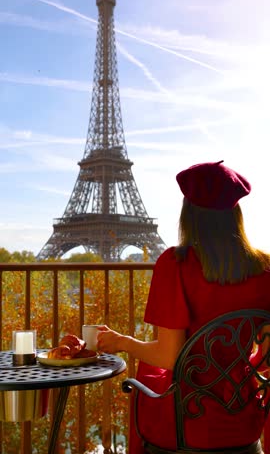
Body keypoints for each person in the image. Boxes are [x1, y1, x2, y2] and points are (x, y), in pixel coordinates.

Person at [97, 160, 270, 454]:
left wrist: (121, 341)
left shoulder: (175, 264)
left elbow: (168, 355)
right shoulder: (265, 268)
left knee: (149, 370)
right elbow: (266, 354)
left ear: (188, 215)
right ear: (235, 213)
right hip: (244, 418)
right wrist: (238, 373)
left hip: (187, 422)